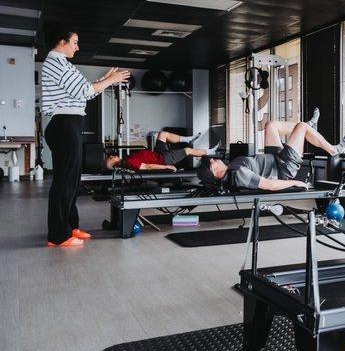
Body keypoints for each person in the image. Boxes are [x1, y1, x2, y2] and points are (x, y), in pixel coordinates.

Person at [42, 21, 130, 247]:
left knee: (72, 180)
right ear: (62, 42)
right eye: (74, 42)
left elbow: (85, 94)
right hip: (64, 125)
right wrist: (111, 80)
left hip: (69, 124)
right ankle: (58, 236)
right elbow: (84, 90)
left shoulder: (63, 63)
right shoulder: (55, 62)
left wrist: (104, 80)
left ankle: (70, 227)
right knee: (64, 181)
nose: (77, 47)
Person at [197, 108, 345, 191]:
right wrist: (295, 182)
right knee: (301, 127)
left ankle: (309, 126)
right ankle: (333, 150)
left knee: (270, 125)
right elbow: (271, 185)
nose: (212, 159)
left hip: (274, 158)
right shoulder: (238, 174)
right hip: (283, 167)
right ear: (215, 174)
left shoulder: (230, 168)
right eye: (211, 163)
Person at [104, 131, 220, 171]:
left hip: (157, 154)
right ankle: (210, 152)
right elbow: (147, 167)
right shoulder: (128, 163)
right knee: (188, 150)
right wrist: (166, 167)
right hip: (163, 160)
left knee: (162, 134)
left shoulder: (126, 160)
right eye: (111, 157)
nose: (113, 155)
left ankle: (188, 139)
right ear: (113, 161)